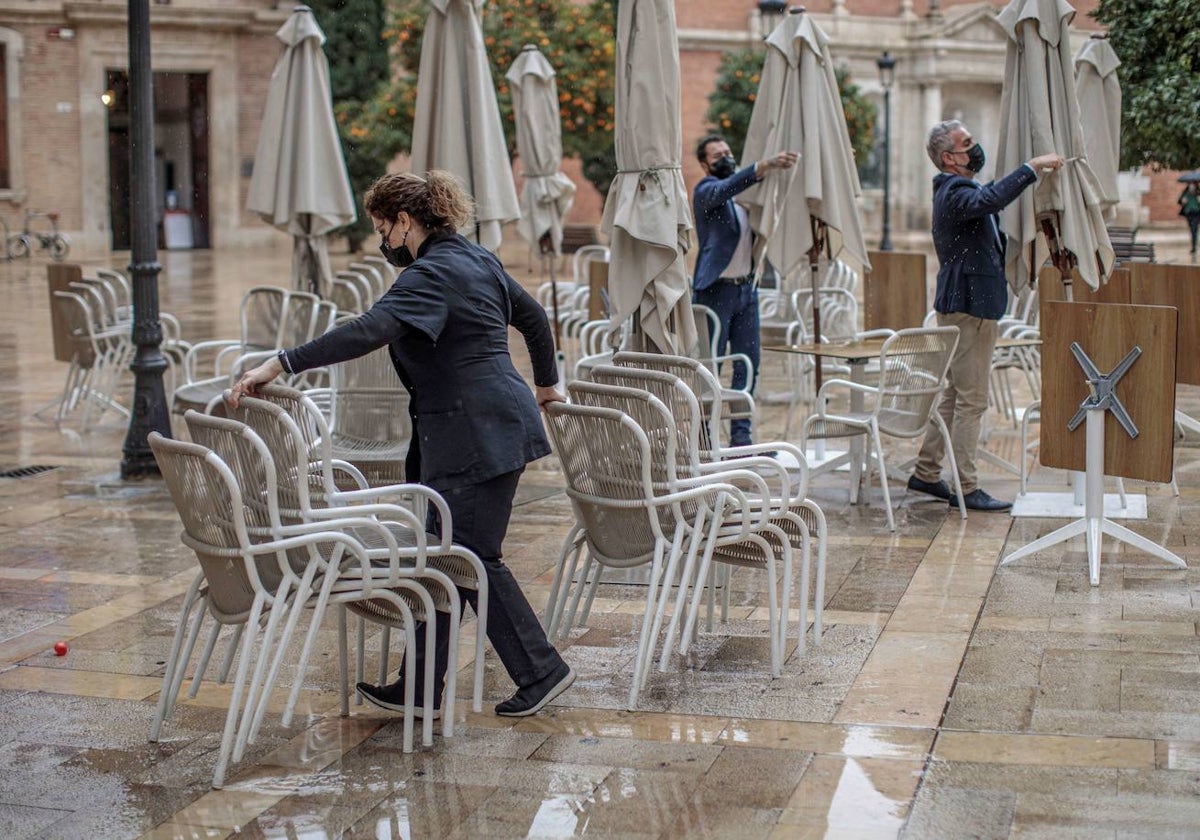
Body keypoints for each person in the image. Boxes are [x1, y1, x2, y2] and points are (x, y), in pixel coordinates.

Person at [228, 170, 575, 718]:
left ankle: (541, 671)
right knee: (442, 556)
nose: (382, 240)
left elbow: (367, 330)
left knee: (468, 557)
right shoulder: (475, 258)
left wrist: (281, 362)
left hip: (473, 434)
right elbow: (533, 318)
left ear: (404, 221)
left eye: (382, 228)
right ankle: (418, 686)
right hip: (485, 425)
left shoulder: (430, 274)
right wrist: (547, 383)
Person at [906, 120, 1063, 512]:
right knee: (972, 401)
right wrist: (1030, 168)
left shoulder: (954, 190)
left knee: (953, 395)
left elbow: (989, 205)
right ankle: (966, 486)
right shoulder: (955, 191)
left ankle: (926, 472)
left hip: (964, 304)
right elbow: (990, 200)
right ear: (949, 157)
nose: (975, 148)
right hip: (968, 308)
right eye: (967, 143)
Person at [692, 134, 798, 447]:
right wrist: (762, 165)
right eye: (716, 155)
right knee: (711, 368)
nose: (725, 157)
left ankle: (741, 440)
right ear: (704, 164)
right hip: (714, 292)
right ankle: (705, 439)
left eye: (727, 151)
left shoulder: (749, 197)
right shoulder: (705, 191)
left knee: (748, 364)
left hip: (746, 292)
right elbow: (724, 188)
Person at [1178, 182, 1200, 255]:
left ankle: (1194, 247)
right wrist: (1183, 201)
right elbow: (1180, 201)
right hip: (1189, 213)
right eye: (1190, 184)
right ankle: (1194, 244)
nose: (1192, 186)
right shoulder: (1186, 192)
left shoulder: (1198, 193)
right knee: (1192, 229)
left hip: (1196, 213)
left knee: (1194, 229)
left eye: (1193, 184)